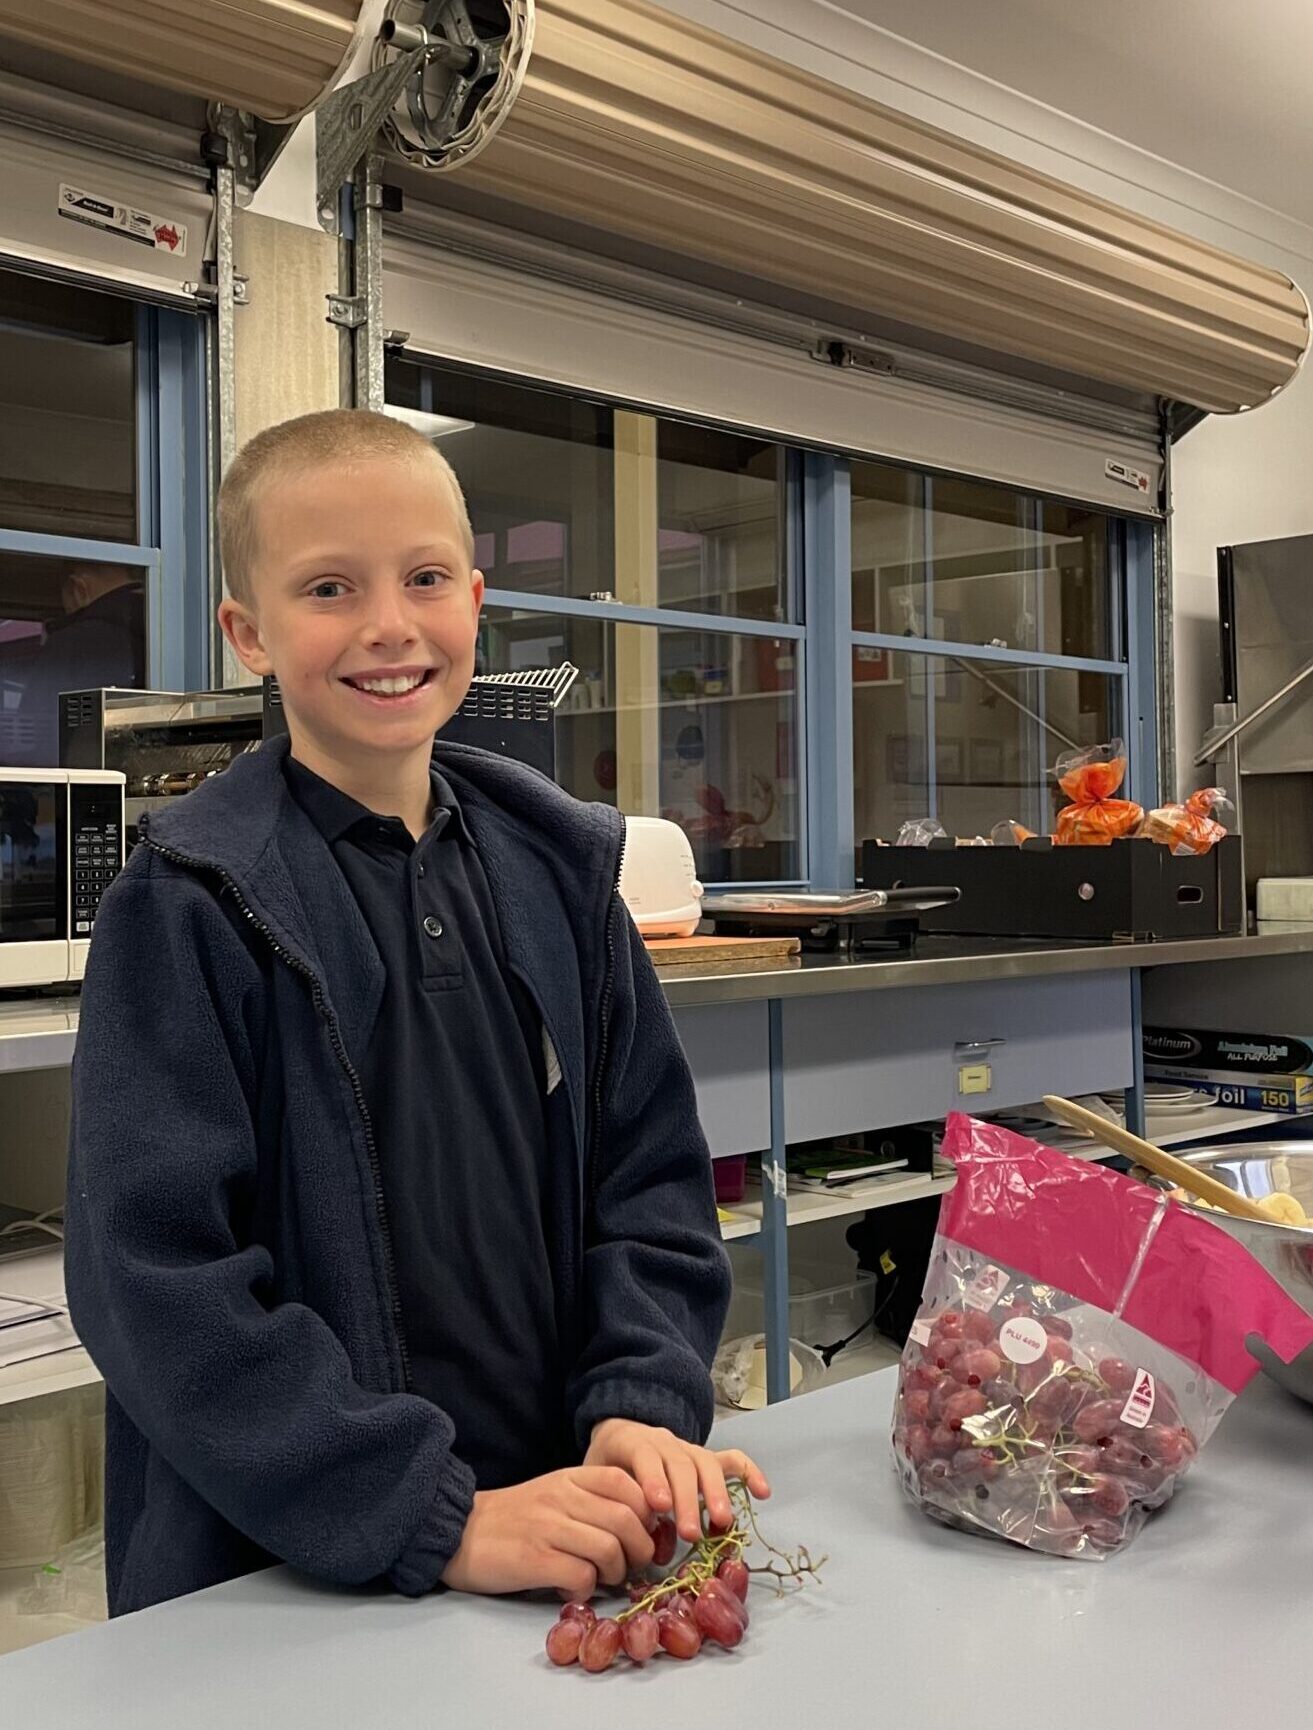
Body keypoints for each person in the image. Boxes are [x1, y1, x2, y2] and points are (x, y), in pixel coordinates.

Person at [65, 409, 766, 1617]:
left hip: (559, 1530)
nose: (389, 624)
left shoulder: (559, 877)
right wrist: (430, 1514)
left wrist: (638, 1405)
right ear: (249, 633)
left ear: (475, 600)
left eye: (425, 578)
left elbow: (649, 1181)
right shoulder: (186, 906)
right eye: (329, 587)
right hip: (288, 1571)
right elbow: (156, 1283)